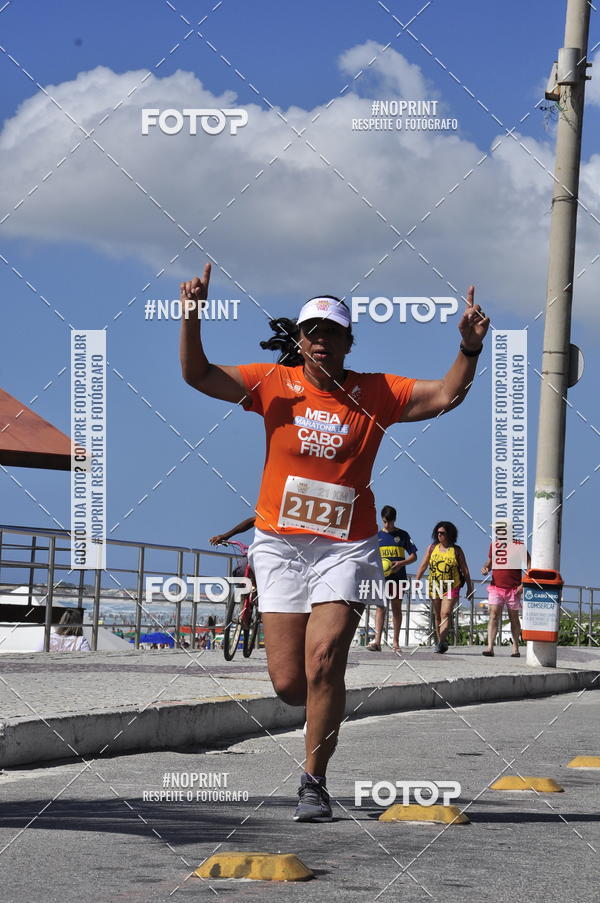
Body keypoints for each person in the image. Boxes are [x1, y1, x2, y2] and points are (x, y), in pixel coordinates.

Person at [180, 264, 489, 821]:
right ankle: (321, 710)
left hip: (348, 547)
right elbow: (197, 375)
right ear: (299, 340)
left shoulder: (375, 392)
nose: (322, 342)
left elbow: (445, 395)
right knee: (289, 684)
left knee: (325, 660)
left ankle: (313, 781)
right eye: (312, 332)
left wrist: (467, 348)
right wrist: (192, 314)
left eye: (333, 333)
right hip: (278, 545)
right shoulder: (271, 383)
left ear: (349, 342)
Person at [416, 521, 474, 654]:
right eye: (438, 533)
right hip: (435, 585)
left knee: (445, 613)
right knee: (437, 616)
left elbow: (465, 570)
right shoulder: (432, 548)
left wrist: (470, 588)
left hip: (451, 585)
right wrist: (417, 579)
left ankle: (441, 641)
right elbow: (423, 564)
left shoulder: (456, 550)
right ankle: (440, 642)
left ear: (449, 534)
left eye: (442, 533)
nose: (439, 535)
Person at [367, 505, 417, 652]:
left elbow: (414, 556)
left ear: (394, 519)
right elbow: (370, 556)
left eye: (390, 522)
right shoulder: (377, 536)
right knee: (380, 607)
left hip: (398, 577)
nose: (387, 525)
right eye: (384, 522)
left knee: (396, 609)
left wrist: (401, 563)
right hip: (381, 579)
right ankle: (377, 641)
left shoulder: (402, 535)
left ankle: (395, 643)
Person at [481, 540, 531, 657]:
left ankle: (515, 647)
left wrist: (524, 584)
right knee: (493, 615)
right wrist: (485, 569)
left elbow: (529, 563)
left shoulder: (519, 545)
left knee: (513, 617)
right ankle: (490, 647)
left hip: (514, 589)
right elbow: (489, 563)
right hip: (496, 587)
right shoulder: (494, 545)